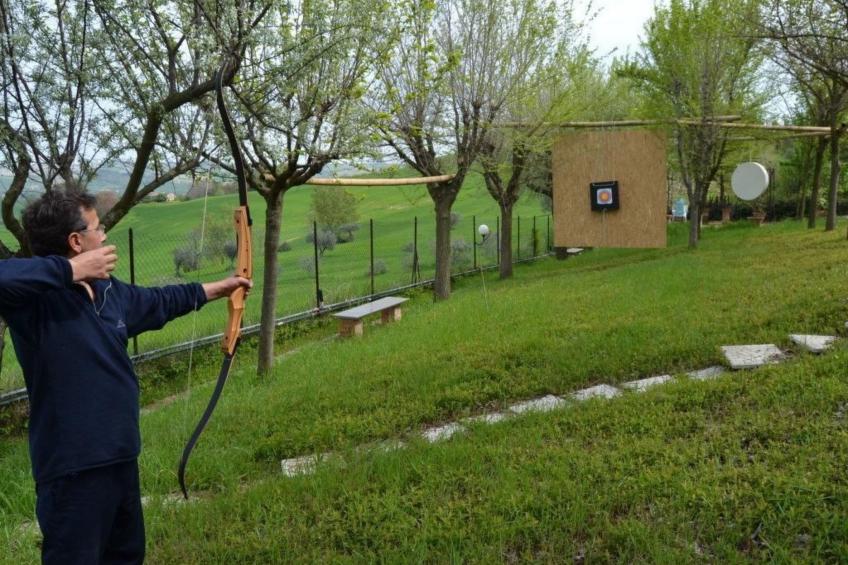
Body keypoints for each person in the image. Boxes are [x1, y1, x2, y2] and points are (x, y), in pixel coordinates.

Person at [0, 190, 250, 564]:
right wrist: (71, 270)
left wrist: (220, 288)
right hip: (72, 470)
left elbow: (159, 302)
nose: (104, 237)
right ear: (76, 241)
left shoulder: (109, 292)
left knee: (126, 557)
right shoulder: (34, 301)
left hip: (120, 457)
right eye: (98, 229)